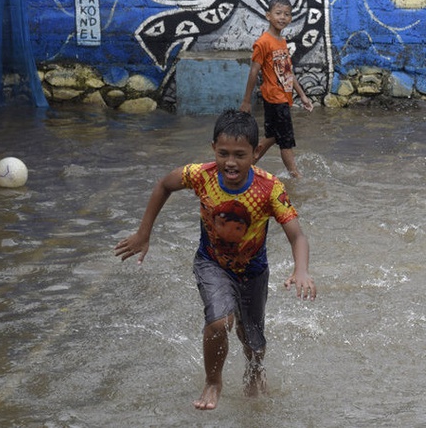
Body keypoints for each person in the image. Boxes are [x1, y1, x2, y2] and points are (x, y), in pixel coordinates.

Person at [114, 109, 317, 411]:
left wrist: (301, 270)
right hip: (212, 263)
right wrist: (144, 234)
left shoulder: (269, 187)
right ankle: (213, 381)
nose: (230, 162)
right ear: (213, 149)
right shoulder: (201, 175)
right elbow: (164, 185)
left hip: (253, 271)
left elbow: (297, 235)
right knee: (219, 321)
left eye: (240, 154)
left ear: (255, 153)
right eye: (223, 153)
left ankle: (255, 371)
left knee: (252, 340)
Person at [240, 0, 313, 178]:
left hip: (282, 97)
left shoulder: (281, 41)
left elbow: (288, 72)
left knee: (273, 136)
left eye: (287, 14)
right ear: (268, 16)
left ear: (290, 18)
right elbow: (253, 72)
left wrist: (302, 96)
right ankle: (295, 176)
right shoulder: (263, 42)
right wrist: (246, 101)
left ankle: (246, 165)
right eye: (278, 13)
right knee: (285, 140)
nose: (282, 17)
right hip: (274, 98)